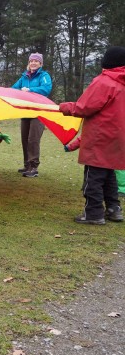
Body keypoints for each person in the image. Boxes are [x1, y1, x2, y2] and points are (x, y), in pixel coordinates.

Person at [59, 46, 125, 225]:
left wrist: (64, 107)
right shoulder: (121, 83)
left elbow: (84, 106)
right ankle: (114, 208)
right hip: (117, 137)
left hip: (100, 136)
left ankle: (94, 212)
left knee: (93, 176)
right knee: (109, 173)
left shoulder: (105, 82)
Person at [12, 52, 53, 178]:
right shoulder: (24, 77)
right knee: (25, 139)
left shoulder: (44, 75)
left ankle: (33, 167)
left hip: (38, 112)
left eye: (36, 61)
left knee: (33, 140)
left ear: (40, 64)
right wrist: (20, 92)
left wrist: (30, 90)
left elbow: (46, 89)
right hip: (25, 112)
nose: (33, 63)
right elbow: (13, 89)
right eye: (31, 61)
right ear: (28, 63)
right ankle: (27, 165)